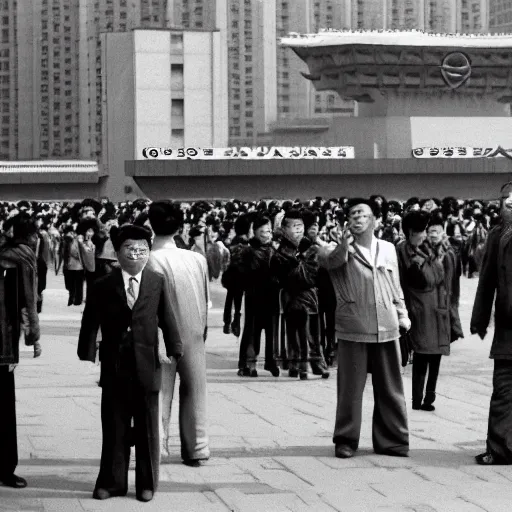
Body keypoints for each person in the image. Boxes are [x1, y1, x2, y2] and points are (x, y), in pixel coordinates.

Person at [77, 224, 182, 502]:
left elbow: (168, 317)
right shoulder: (103, 284)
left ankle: (146, 483)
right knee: (114, 424)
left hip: (148, 364)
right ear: (117, 252)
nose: (135, 255)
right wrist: (87, 351)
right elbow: (90, 320)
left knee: (148, 426)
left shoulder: (157, 280)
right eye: (130, 249)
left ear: (148, 252)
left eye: (141, 250)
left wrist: (175, 348)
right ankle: (112, 482)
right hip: (115, 364)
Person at [318, 198, 411, 459]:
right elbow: (330, 263)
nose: (357, 218)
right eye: (353, 214)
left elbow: (395, 285)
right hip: (354, 325)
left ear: (376, 221)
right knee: (350, 389)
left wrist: (402, 314)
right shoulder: (334, 249)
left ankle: (393, 441)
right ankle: (346, 440)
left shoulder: (388, 248)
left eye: (363, 214)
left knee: (391, 387)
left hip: (387, 324)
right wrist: (343, 246)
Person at [148, 201, 210, 466]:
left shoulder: (148, 259)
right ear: (180, 226)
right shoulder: (197, 259)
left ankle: (157, 447)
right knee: (195, 389)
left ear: (150, 225)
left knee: (160, 391)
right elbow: (205, 300)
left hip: (161, 332)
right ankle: (197, 448)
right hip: (194, 329)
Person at [396, 211, 463, 412]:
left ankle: (429, 397)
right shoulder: (402, 251)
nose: (426, 234)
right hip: (418, 310)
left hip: (436, 309)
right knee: (421, 355)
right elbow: (417, 280)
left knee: (435, 356)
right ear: (410, 232)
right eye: (423, 230)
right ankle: (418, 399)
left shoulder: (431, 250)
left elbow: (442, 279)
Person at [471, 182, 512, 465]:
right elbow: (486, 280)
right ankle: (498, 448)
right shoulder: (497, 235)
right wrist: (480, 318)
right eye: (507, 201)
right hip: (508, 326)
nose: (510, 203)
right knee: (503, 388)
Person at [0, 213, 41, 489]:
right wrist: (33, 336)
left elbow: (24, 299)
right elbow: (28, 300)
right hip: (5, 341)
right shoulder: (22, 257)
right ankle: (5, 467)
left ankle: (5, 466)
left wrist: (31, 334)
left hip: (4, 338)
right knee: (3, 404)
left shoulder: (15, 259)